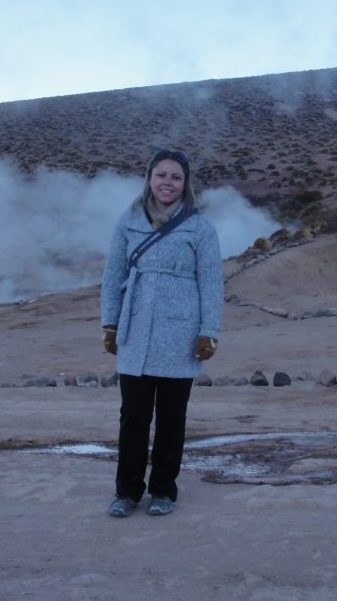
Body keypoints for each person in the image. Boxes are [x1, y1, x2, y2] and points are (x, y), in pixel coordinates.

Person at [100, 149, 224, 517]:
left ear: (185, 184)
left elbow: (212, 283)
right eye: (161, 175)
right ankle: (127, 492)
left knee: (172, 417)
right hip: (136, 330)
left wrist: (209, 331)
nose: (167, 183)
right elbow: (113, 275)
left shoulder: (199, 227)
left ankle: (164, 491)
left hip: (180, 333)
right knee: (133, 416)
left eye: (175, 177)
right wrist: (110, 321)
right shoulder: (129, 221)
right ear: (149, 178)